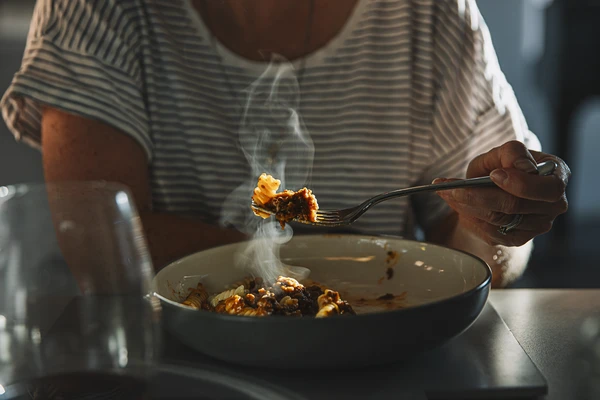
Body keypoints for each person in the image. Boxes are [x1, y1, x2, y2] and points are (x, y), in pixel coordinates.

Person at [1, 0, 570, 288]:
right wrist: (341, 268)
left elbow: (480, 253)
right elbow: (102, 245)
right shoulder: (99, 11)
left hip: (382, 363)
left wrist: (498, 218)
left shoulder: (428, 13)